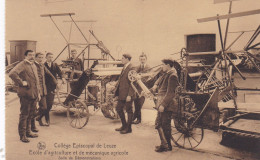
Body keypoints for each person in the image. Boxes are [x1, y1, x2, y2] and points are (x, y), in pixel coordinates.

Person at [9, 50, 39, 143]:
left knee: (31, 114)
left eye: (33, 55)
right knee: (24, 114)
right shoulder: (22, 64)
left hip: (33, 93)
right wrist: (21, 82)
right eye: (30, 55)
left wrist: (38, 93)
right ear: (25, 56)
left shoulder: (33, 65)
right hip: (25, 94)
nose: (32, 56)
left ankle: (28, 132)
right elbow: (12, 73)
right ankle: (22, 135)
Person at [150, 59, 179, 152]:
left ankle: (166, 145)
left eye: (163, 65)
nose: (161, 66)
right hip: (163, 103)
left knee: (164, 125)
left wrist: (163, 105)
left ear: (168, 65)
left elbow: (170, 93)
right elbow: (160, 79)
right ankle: (166, 144)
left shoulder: (173, 76)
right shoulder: (168, 73)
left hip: (167, 105)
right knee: (159, 124)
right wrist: (155, 85)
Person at [34, 52, 57, 127]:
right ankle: (33, 120)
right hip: (35, 89)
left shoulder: (42, 65)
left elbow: (50, 74)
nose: (41, 59)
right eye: (39, 57)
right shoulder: (32, 65)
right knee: (33, 107)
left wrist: (55, 82)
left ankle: (37, 117)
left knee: (45, 107)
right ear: (35, 58)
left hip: (44, 89)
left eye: (41, 57)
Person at [114, 54, 135, 134]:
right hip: (122, 93)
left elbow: (133, 83)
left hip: (128, 94)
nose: (121, 60)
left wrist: (130, 95)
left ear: (127, 59)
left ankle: (128, 128)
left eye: (122, 58)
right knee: (119, 109)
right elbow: (121, 79)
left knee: (129, 111)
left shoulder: (132, 68)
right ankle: (124, 125)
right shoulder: (125, 67)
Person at [44, 52, 66, 126]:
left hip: (53, 87)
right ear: (46, 57)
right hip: (45, 86)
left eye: (52, 57)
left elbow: (60, 72)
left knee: (49, 104)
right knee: (46, 104)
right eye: (49, 57)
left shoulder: (55, 65)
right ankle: (47, 120)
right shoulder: (43, 65)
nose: (51, 59)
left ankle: (40, 116)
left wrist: (63, 78)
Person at [132, 53, 150, 124]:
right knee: (136, 103)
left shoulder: (148, 68)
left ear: (146, 59)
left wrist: (139, 79)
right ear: (139, 60)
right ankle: (137, 119)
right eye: (141, 59)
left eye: (144, 59)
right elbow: (133, 74)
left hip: (143, 88)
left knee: (139, 104)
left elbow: (148, 78)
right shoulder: (137, 67)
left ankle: (135, 118)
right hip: (136, 88)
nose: (142, 60)